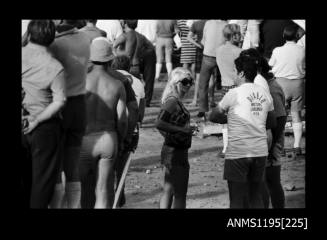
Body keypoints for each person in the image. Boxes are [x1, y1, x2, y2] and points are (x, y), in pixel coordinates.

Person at [209, 52, 274, 208]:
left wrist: (229, 118)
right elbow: (271, 122)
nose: (234, 75)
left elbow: (214, 116)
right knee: (255, 196)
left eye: (235, 71)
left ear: (242, 73)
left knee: (237, 199)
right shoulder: (265, 93)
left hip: (238, 153)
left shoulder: (234, 93)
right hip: (259, 151)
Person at [78, 37, 128, 208]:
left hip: (85, 140)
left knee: (85, 188)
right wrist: (121, 140)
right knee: (102, 189)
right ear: (110, 59)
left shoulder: (81, 82)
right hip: (108, 138)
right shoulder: (117, 84)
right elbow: (122, 119)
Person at [22, 20, 66, 208]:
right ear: (51, 39)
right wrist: (37, 120)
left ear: (29, 35)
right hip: (44, 127)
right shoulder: (55, 66)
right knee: (42, 183)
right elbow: (60, 101)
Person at [49, 19, 90, 208]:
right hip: (80, 105)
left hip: (60, 105)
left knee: (55, 165)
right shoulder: (85, 38)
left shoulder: (56, 44)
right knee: (72, 165)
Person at [241, 48, 287, 208]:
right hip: (265, 140)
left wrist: (272, 145)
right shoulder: (263, 84)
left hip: (270, 141)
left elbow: (280, 119)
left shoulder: (271, 88)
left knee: (270, 182)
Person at [156, 67, 195, 209]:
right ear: (176, 82)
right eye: (185, 82)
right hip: (176, 154)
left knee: (169, 190)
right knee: (180, 194)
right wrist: (182, 130)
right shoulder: (172, 101)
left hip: (173, 151)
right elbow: (159, 123)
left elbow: (164, 125)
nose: (188, 85)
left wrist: (179, 132)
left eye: (191, 82)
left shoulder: (173, 100)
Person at [268, 24, 305, 156]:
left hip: (281, 84)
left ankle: (279, 147)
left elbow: (270, 65)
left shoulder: (277, 50)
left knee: (280, 116)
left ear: (284, 36)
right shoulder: (302, 50)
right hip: (298, 84)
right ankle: (297, 146)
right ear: (297, 36)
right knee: (296, 115)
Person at [215, 23, 242, 157]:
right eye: (237, 34)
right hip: (237, 87)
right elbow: (239, 73)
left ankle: (225, 148)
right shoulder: (239, 52)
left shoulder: (218, 50)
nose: (240, 35)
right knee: (238, 119)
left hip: (225, 87)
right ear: (232, 36)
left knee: (225, 120)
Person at [197, 20, 227, 119]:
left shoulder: (208, 23)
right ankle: (225, 108)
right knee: (227, 82)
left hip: (208, 56)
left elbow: (203, 41)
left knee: (203, 84)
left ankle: (202, 110)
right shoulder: (226, 25)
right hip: (222, 55)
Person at [186, 19, 208, 107]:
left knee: (198, 77)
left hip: (200, 49)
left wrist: (198, 45)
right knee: (211, 77)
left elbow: (189, 37)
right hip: (211, 50)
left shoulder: (196, 24)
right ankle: (211, 100)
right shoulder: (211, 23)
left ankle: (195, 100)